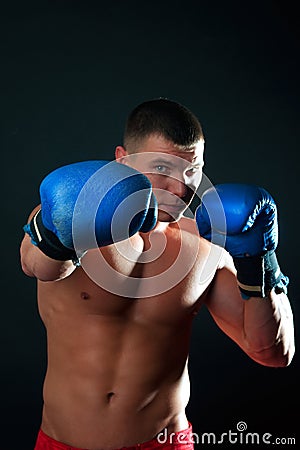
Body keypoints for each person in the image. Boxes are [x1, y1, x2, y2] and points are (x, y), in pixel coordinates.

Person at [20, 98, 295, 450]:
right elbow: (35, 264)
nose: (179, 190)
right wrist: (60, 233)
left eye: (191, 171)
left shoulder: (207, 246)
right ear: (122, 159)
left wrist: (262, 261)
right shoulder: (74, 217)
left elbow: (272, 352)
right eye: (162, 168)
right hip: (64, 441)